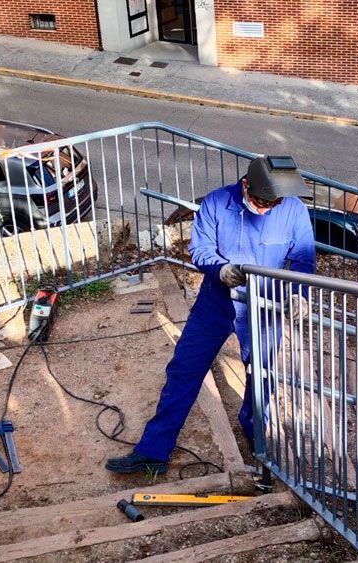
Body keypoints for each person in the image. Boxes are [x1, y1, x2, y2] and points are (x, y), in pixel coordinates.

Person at [106, 155, 316, 475]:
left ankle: (256, 437)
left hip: (264, 307)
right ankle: (153, 451)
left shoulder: (293, 210)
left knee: (261, 377)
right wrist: (221, 270)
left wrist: (300, 297)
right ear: (245, 187)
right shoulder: (216, 203)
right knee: (183, 370)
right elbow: (200, 249)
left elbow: (303, 261)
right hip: (215, 303)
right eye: (263, 202)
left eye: (274, 203)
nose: (268, 208)